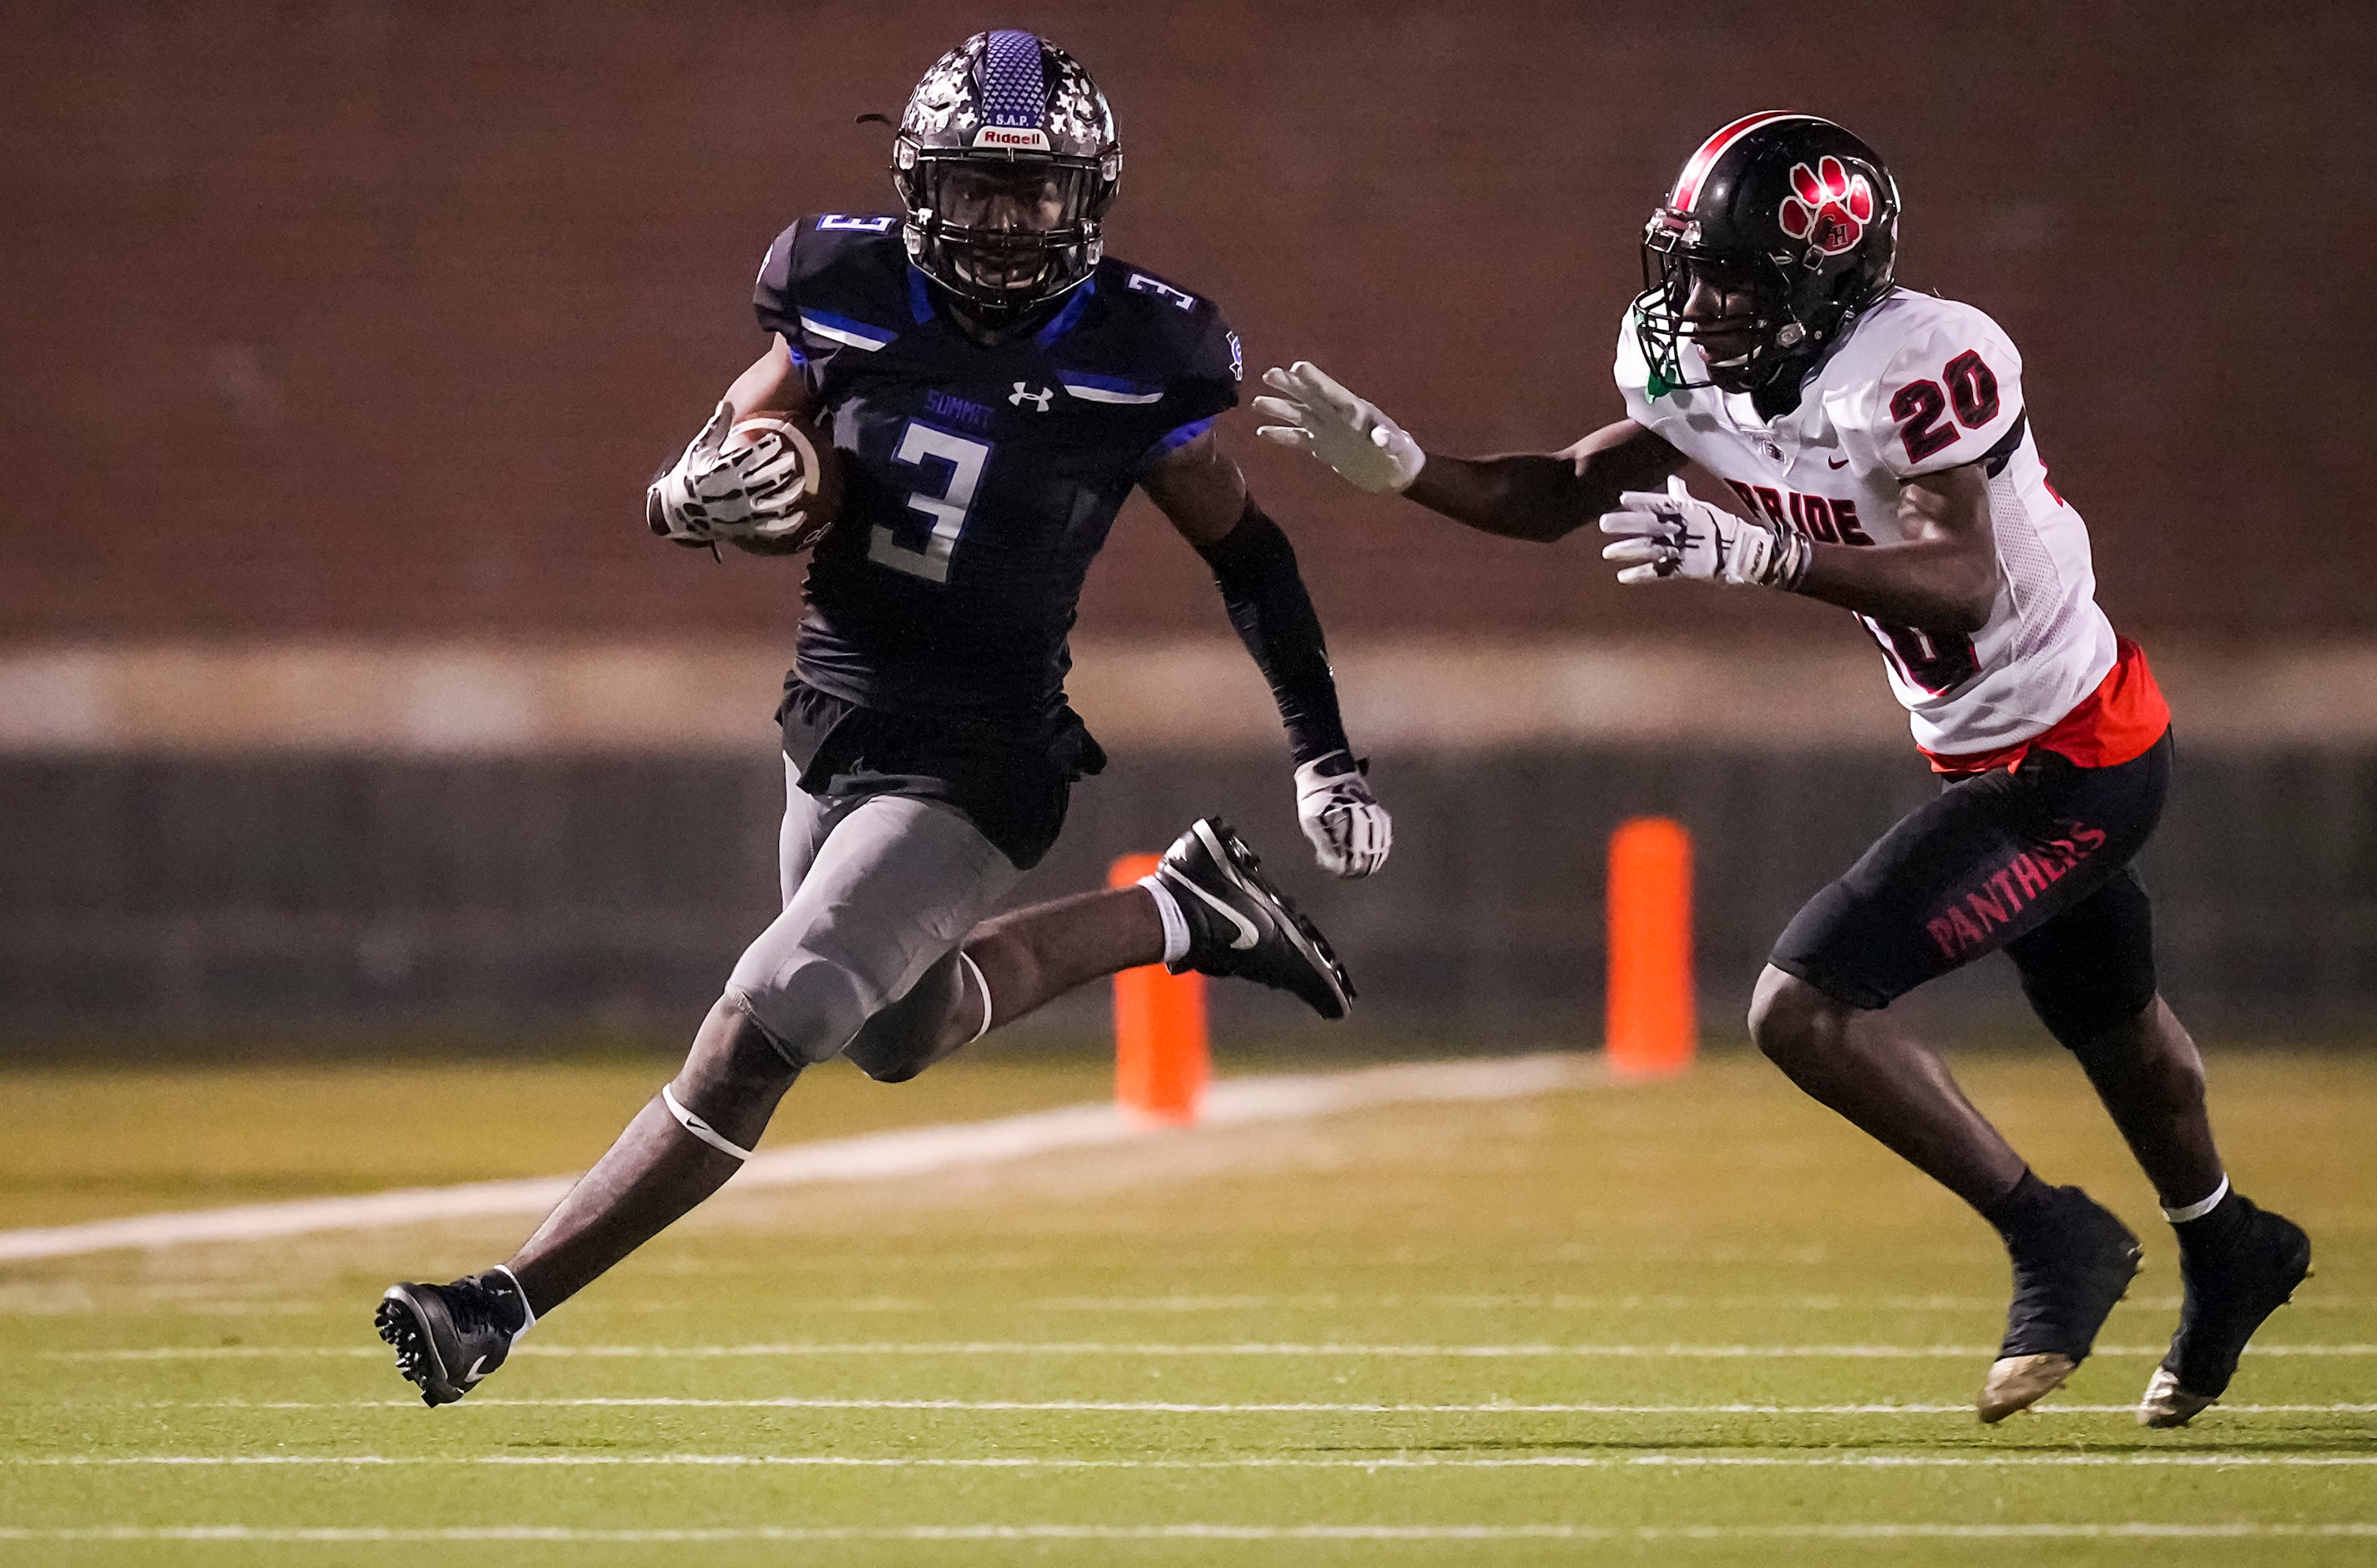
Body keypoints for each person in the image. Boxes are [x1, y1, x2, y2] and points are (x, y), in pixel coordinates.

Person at [376, 30, 1389, 1407]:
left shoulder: (1142, 350)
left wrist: (1324, 750)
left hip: (984, 752)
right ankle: (1185, 909)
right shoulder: (840, 286)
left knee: (771, 1018)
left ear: (1086, 200)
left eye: (1030, 194)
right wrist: (687, 493)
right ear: (919, 185)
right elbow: (737, 435)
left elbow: (1250, 553)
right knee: (897, 1035)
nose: (1000, 221)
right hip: (834, 713)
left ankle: (498, 1300)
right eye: (972, 187)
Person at [1252, 112, 2307, 1428]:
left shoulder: (1915, 365)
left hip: (2079, 751)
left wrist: (1762, 554)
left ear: (1827, 278)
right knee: (2121, 1037)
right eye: (1690, 267)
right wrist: (1407, 470)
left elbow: (1968, 583)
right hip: (1986, 750)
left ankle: (2055, 1238)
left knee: (1803, 1004)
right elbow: (1560, 490)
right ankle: (2231, 1248)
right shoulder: (1697, 365)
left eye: (1739, 274)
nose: (1702, 301)